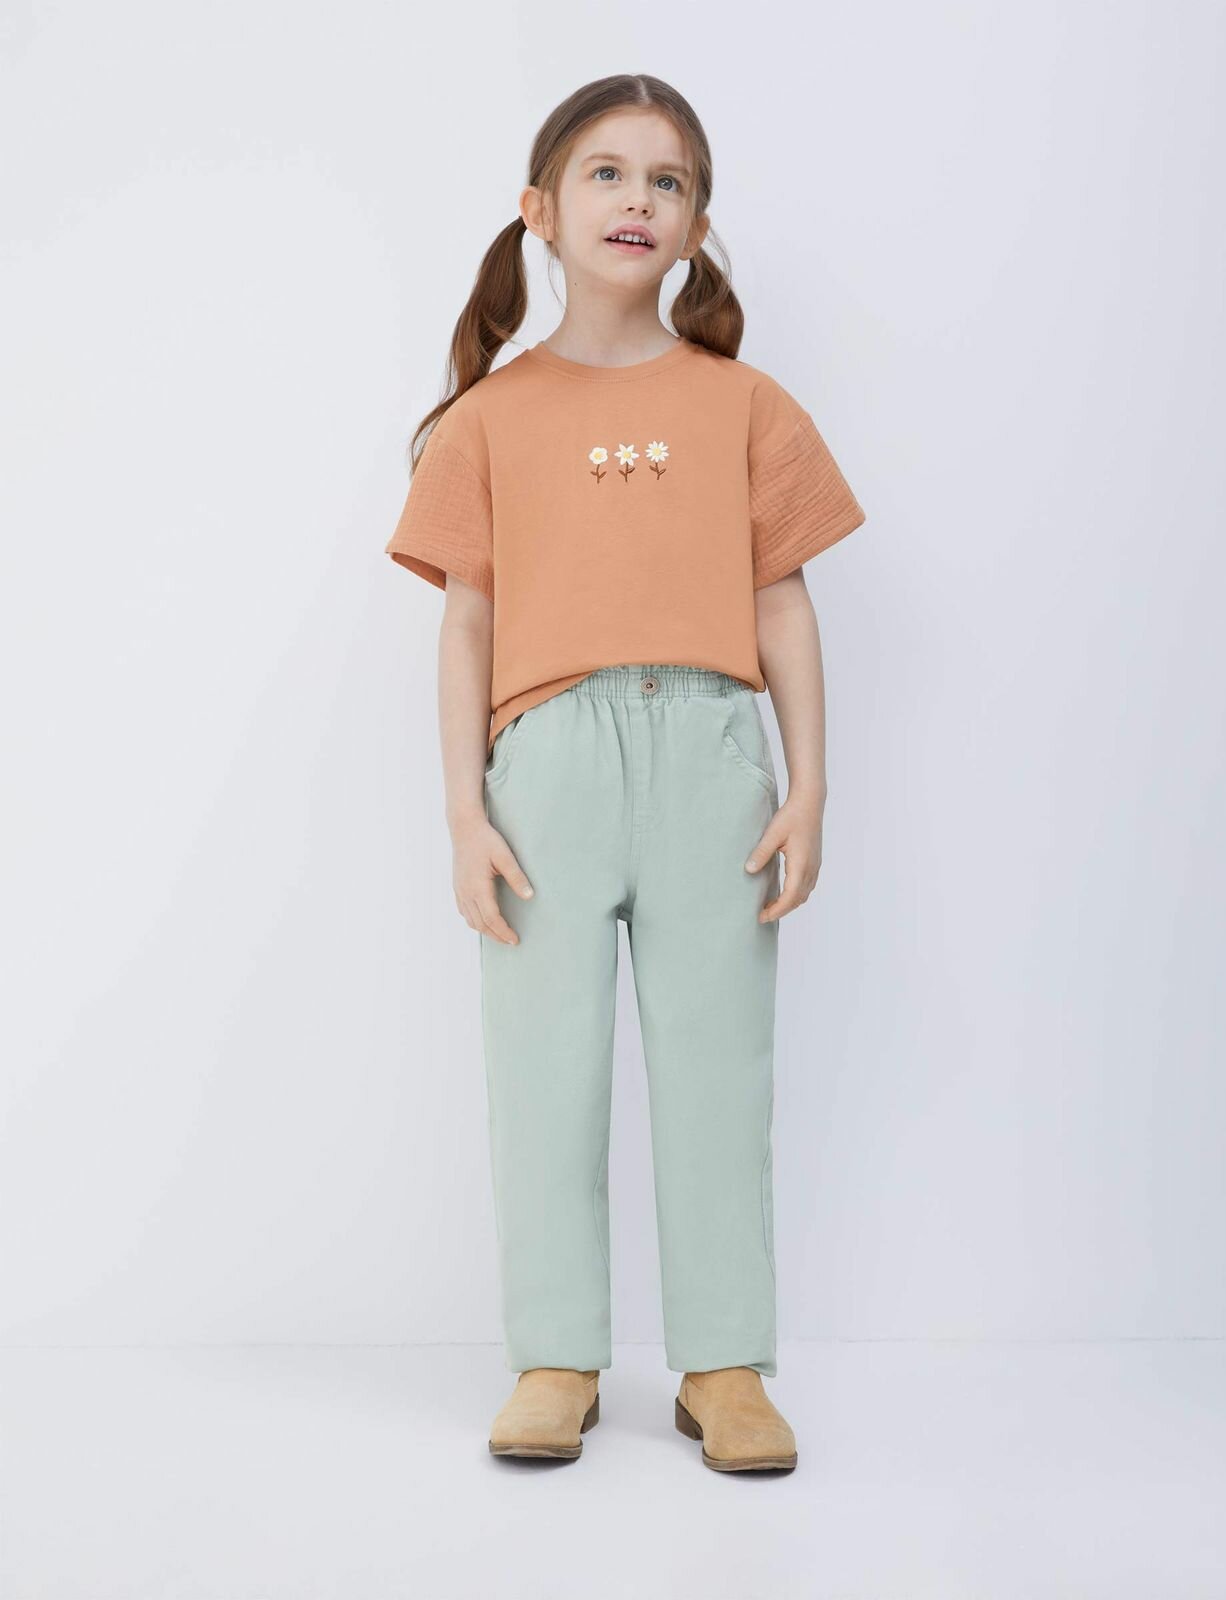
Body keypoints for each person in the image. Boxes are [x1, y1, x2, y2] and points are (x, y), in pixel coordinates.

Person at [383, 73, 867, 1474]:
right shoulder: (488, 418)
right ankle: (555, 1356)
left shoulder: (744, 405)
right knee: (543, 1070)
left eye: (667, 180)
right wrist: (464, 811)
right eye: (605, 172)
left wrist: (809, 784)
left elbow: (782, 602)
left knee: (719, 1068)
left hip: (712, 757)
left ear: (697, 225)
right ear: (540, 211)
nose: (636, 200)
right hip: (545, 767)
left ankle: (724, 1365)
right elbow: (465, 622)